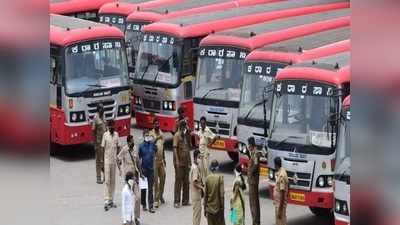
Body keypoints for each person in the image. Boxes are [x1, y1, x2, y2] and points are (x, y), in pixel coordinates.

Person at [117, 135, 142, 225]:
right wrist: (120, 169)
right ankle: (128, 219)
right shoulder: (124, 150)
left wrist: (141, 173)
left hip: (134, 177)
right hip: (127, 179)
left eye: (133, 140)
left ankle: (137, 218)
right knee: (128, 200)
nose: (133, 142)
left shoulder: (135, 149)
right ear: (128, 142)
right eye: (131, 141)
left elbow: (138, 162)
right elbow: (118, 158)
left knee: (138, 198)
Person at [101, 120, 120, 211]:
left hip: (114, 161)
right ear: (108, 127)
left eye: (113, 126)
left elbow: (118, 146)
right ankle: (106, 200)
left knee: (113, 181)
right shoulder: (105, 135)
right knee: (107, 180)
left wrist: (118, 158)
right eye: (110, 126)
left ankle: (111, 200)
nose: (112, 128)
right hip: (107, 161)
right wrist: (101, 162)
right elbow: (102, 148)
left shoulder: (116, 135)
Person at [173, 120, 192, 208]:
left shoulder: (185, 136)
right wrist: (177, 161)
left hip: (186, 162)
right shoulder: (177, 135)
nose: (185, 128)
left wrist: (190, 162)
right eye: (184, 127)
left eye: (186, 127)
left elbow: (188, 149)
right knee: (178, 181)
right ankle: (177, 201)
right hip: (179, 162)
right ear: (181, 127)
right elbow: (175, 149)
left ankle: (185, 200)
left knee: (186, 182)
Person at [138, 129, 157, 213]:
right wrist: (140, 171)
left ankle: (151, 206)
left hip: (151, 170)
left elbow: (156, 150)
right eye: (145, 135)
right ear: (143, 136)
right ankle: (144, 204)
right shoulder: (141, 146)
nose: (147, 136)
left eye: (148, 135)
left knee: (150, 189)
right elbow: (139, 158)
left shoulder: (152, 144)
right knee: (143, 189)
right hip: (143, 170)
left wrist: (153, 141)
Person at [196, 116, 219, 184]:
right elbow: (198, 136)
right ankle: (202, 182)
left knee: (206, 169)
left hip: (206, 152)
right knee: (201, 168)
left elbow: (215, 137)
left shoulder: (207, 130)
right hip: (200, 152)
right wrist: (198, 142)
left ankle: (207, 182)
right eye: (201, 123)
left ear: (205, 123)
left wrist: (210, 144)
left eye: (203, 123)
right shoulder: (200, 130)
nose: (202, 125)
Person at [150, 119, 166, 208]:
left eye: (158, 124)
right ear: (153, 125)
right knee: (155, 181)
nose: (157, 125)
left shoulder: (162, 133)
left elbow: (162, 147)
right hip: (154, 161)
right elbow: (150, 145)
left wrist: (164, 158)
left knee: (163, 177)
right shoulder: (150, 134)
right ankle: (156, 200)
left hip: (161, 160)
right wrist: (157, 138)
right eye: (155, 124)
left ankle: (160, 195)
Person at [204, 160, 225, 225]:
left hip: (209, 209)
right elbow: (221, 195)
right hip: (218, 209)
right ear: (217, 168)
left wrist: (205, 209)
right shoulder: (220, 178)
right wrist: (222, 207)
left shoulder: (207, 178)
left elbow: (205, 196)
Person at [247, 137, 261, 225]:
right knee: (253, 201)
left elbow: (256, 165)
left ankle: (255, 222)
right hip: (252, 180)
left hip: (253, 181)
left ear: (251, 145)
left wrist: (250, 173)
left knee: (253, 202)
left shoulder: (255, 154)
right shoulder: (253, 153)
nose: (248, 147)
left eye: (249, 145)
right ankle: (255, 220)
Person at [92, 103, 106, 184]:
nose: (102, 110)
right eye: (101, 109)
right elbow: (93, 131)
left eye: (103, 108)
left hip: (105, 142)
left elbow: (106, 126)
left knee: (104, 159)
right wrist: (94, 144)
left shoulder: (104, 115)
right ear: (98, 110)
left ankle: (105, 176)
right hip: (98, 142)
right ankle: (98, 177)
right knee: (98, 160)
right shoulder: (95, 117)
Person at [273, 157, 288, 225]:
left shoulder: (281, 175)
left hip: (280, 205)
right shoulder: (282, 171)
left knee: (281, 222)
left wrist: (280, 210)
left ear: (276, 165)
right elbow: (288, 185)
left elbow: (282, 193)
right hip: (278, 203)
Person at [190, 149, 203, 225]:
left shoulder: (195, 166)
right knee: (197, 216)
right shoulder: (195, 168)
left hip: (195, 194)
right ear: (195, 158)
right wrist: (202, 188)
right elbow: (195, 182)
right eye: (199, 157)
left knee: (197, 214)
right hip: (196, 195)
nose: (200, 159)